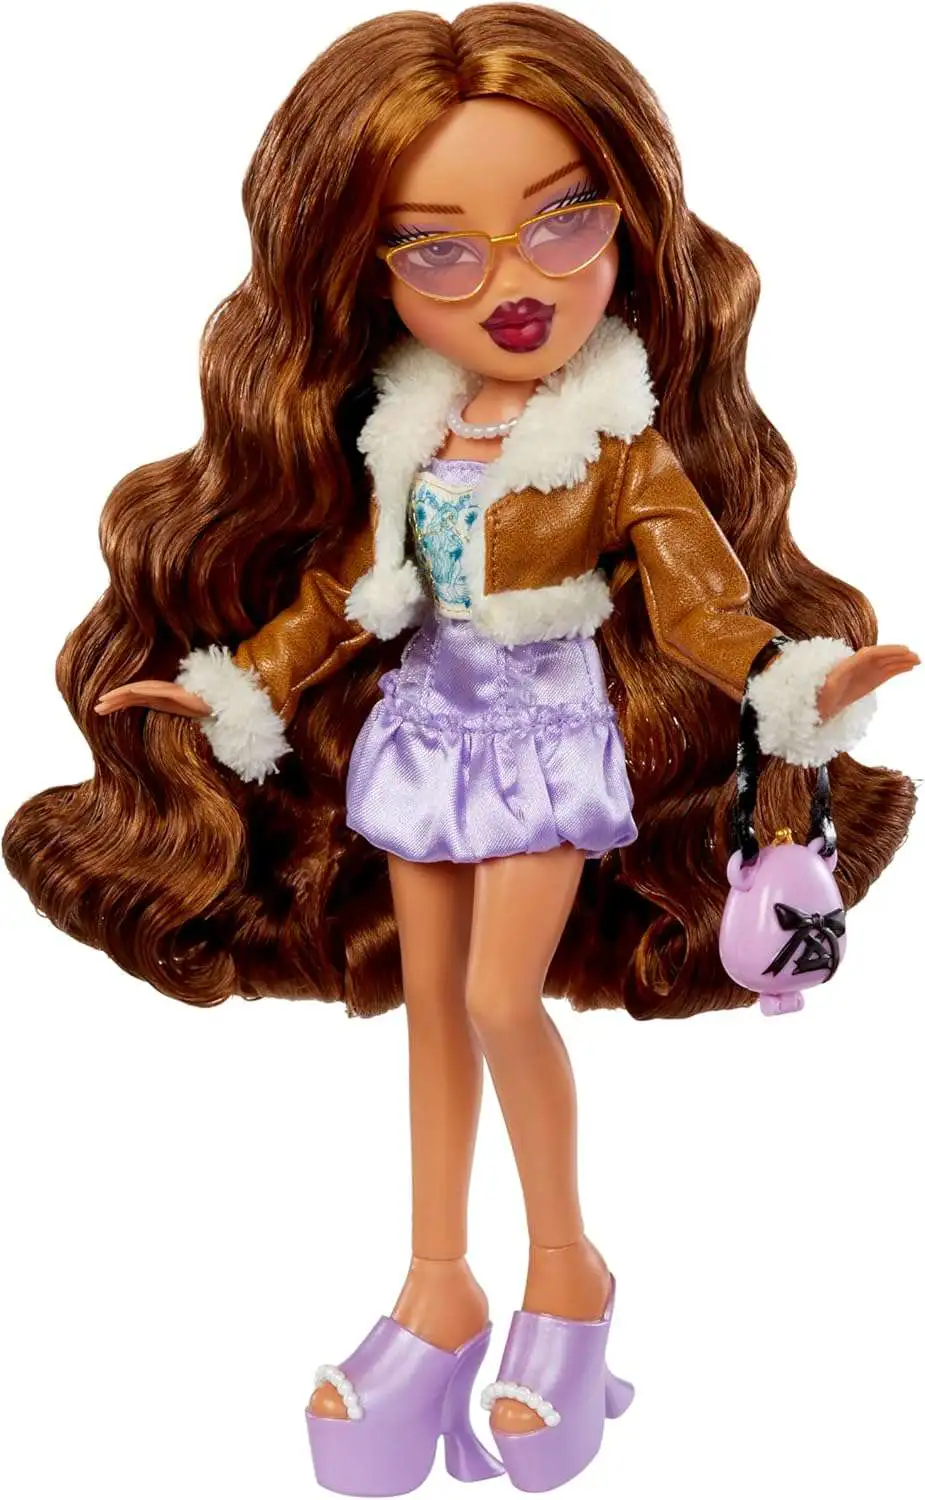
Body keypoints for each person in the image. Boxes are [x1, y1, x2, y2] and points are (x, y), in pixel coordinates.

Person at [4, 7, 918, 1493]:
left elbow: (697, 607)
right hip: (425, 732)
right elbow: (345, 597)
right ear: (364, 276)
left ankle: (569, 1275)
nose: (514, 284)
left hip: (545, 736)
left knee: (503, 998)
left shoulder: (618, 446)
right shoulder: (406, 433)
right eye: (441, 251)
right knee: (435, 1008)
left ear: (630, 224)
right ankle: (438, 1287)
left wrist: (795, 679)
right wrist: (233, 688)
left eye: (562, 225)